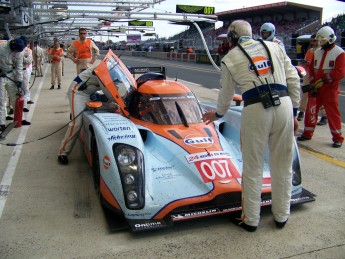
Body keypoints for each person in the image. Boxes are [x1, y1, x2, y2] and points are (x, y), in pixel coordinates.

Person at [202, 20, 300, 232]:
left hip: (256, 109)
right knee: (283, 164)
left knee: (253, 167)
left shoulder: (229, 58)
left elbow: (226, 94)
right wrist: (294, 113)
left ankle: (251, 220)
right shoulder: (276, 46)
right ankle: (281, 216)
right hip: (284, 104)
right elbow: (293, 78)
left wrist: (218, 114)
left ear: (233, 37)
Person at [57, 66, 117, 165]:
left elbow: (114, 94)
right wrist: (105, 97)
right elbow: (110, 94)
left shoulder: (115, 75)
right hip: (78, 93)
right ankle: (63, 153)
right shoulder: (101, 69)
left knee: (114, 107)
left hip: (90, 94)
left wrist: (103, 97)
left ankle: (78, 110)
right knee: (76, 123)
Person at [297, 26, 345, 148]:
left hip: (330, 89)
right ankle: (307, 133)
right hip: (317, 87)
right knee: (311, 110)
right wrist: (313, 82)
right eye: (319, 41)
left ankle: (338, 138)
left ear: (330, 39)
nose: (320, 43)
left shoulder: (340, 53)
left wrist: (325, 79)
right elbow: (312, 69)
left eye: (322, 41)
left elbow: (340, 72)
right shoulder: (317, 52)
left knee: (332, 113)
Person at [0, 38, 31, 133]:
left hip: (10, 74)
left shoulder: (19, 53)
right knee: (1, 99)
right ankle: (1, 122)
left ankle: (19, 119)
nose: (16, 53)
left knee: (16, 98)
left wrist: (19, 80)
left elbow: (19, 67)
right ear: (12, 47)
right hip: (1, 75)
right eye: (16, 51)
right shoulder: (1, 49)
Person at [297, 34, 327, 125]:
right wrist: (304, 64)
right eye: (312, 41)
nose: (313, 42)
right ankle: (302, 111)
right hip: (308, 73)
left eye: (315, 40)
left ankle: (324, 116)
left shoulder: (322, 51)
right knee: (305, 93)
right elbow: (306, 60)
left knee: (318, 94)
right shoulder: (309, 51)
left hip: (317, 74)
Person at [20, 35, 34, 111]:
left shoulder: (28, 50)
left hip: (25, 70)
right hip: (16, 71)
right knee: (17, 90)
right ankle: (13, 107)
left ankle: (24, 105)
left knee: (25, 88)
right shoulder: (14, 50)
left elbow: (28, 61)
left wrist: (20, 57)